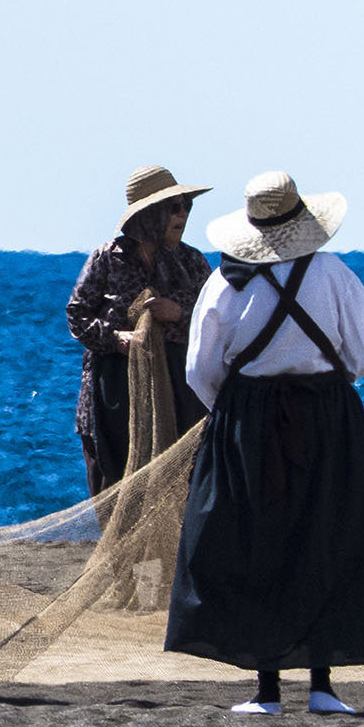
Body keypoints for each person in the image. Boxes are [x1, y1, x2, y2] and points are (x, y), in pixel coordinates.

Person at [163, 170, 364, 715]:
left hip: (247, 421)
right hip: (328, 418)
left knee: (249, 542)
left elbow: (200, 370)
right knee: (327, 539)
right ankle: (322, 685)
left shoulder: (225, 282)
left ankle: (265, 689)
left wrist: (237, 412)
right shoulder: (335, 274)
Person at [66, 165, 213, 495]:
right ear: (149, 214)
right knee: (111, 482)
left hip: (177, 390)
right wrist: (116, 339)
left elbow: (215, 322)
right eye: (174, 207)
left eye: (187, 204)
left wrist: (179, 314)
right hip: (112, 388)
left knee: (180, 485)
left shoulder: (192, 262)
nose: (183, 213)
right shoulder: (107, 258)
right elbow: (77, 315)